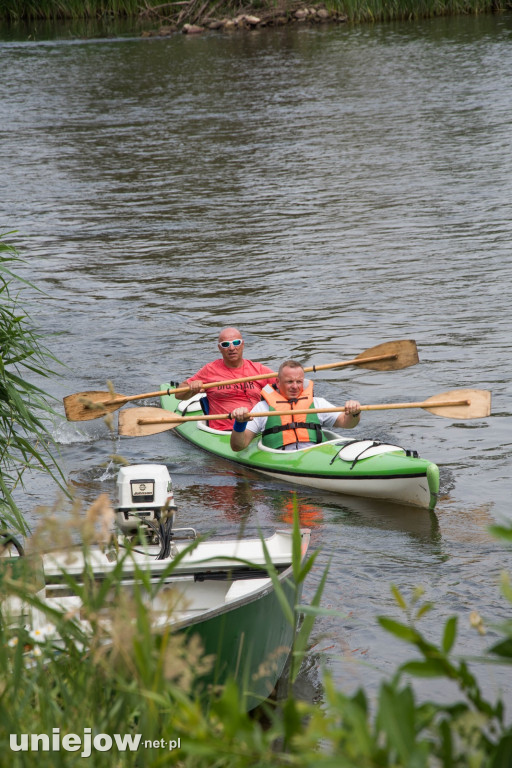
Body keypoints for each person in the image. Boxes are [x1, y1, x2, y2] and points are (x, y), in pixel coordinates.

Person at [230, 359, 361, 452]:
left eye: (299, 381)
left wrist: (354, 412)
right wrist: (239, 423)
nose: (295, 386)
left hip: (315, 454)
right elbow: (238, 446)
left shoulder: (317, 403)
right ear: (278, 382)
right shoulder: (262, 408)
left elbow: (347, 423)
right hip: (281, 456)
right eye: (289, 382)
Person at [175, 327, 277, 431]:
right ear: (219, 348)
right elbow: (178, 394)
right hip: (222, 430)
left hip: (254, 429)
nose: (232, 348)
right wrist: (191, 388)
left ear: (242, 344)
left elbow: (284, 384)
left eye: (236, 342)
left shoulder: (259, 370)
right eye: (225, 344)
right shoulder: (209, 370)